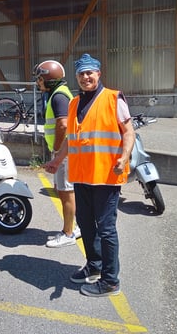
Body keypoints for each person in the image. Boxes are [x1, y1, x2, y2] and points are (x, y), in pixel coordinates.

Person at [44, 54, 135, 297]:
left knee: (106, 229)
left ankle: (110, 281)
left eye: (89, 73)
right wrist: (57, 160)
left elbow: (129, 132)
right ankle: (94, 266)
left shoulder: (113, 98)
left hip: (106, 176)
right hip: (81, 176)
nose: (86, 77)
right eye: (81, 74)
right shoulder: (74, 103)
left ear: (98, 74)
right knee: (85, 224)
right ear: (77, 77)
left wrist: (124, 157)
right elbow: (72, 139)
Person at [33, 60, 80, 248]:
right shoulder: (60, 93)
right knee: (66, 191)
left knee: (65, 192)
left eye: (40, 79)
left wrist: (57, 150)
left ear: (48, 79)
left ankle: (68, 233)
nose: (38, 82)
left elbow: (63, 124)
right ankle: (75, 227)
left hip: (64, 152)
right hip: (67, 151)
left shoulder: (59, 96)